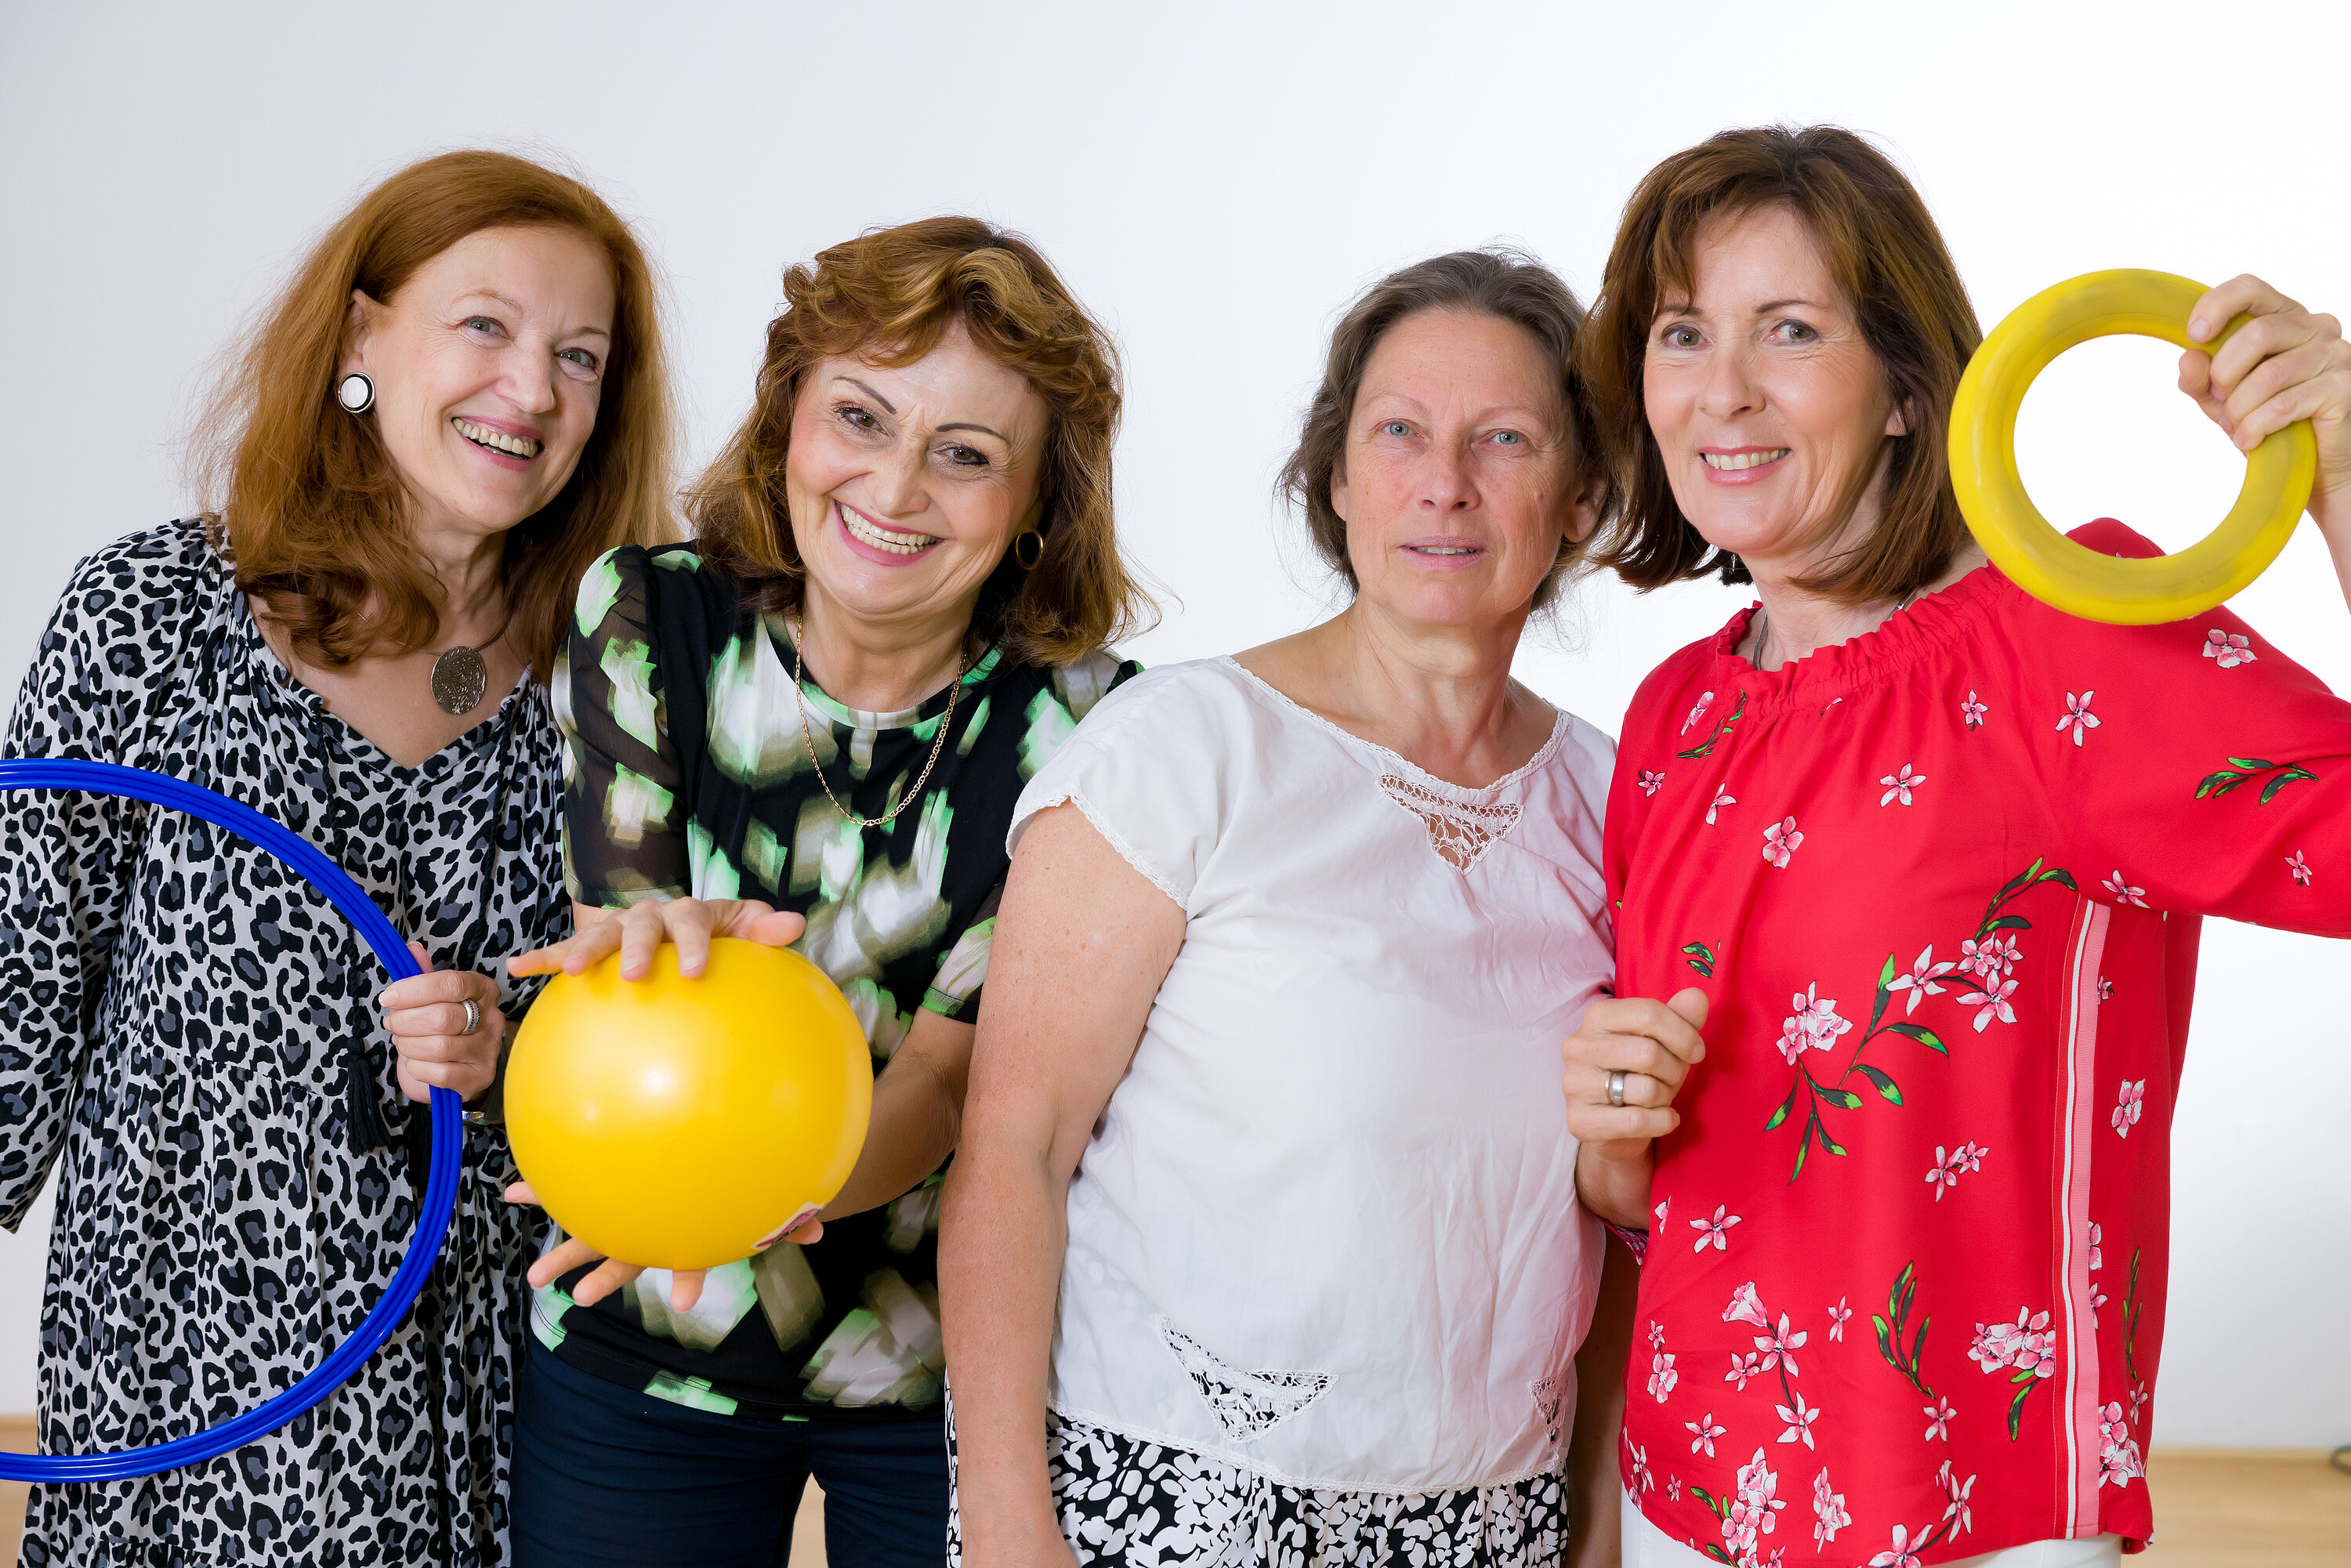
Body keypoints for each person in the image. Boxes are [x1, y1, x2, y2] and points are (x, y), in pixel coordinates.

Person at [1560, 125, 2351, 1567]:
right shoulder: (1677, 714)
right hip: (1686, 1502)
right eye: (1684, 333)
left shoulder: (2068, 636)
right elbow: (1646, 1193)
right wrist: (1609, 1135)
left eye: (1789, 330)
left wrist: (2346, 479)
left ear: (1912, 390)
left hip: (1975, 1525)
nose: (1722, 390)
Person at [0, 150, 677, 1566]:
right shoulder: (153, 609)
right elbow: (16, 1015)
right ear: (366, 335)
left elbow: (648, 1106)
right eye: (484, 325)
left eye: (579, 355)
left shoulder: (618, 688)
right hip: (185, 1392)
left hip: (494, 1406)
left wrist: (510, 1060)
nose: (534, 389)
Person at [944, 251, 1627, 1568]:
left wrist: (1589, 1532)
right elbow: (1014, 1148)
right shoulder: (1183, 748)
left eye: (1504, 439)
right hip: (1163, 1502)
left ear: (1582, 497)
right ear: (1335, 477)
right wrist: (1007, 1528)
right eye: (1400, 433)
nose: (1446, 482)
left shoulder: (1619, 800)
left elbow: (1623, 1209)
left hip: (1499, 1519)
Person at [501, 215, 1152, 1567]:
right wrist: (666, 979)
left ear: (1037, 504)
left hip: (934, 1369)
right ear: (788, 417)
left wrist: (748, 1194)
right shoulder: (646, 614)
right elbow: (635, 971)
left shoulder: (1091, 728)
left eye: (966, 455)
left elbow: (949, 1083)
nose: (896, 486)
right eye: (860, 414)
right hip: (641, 1350)